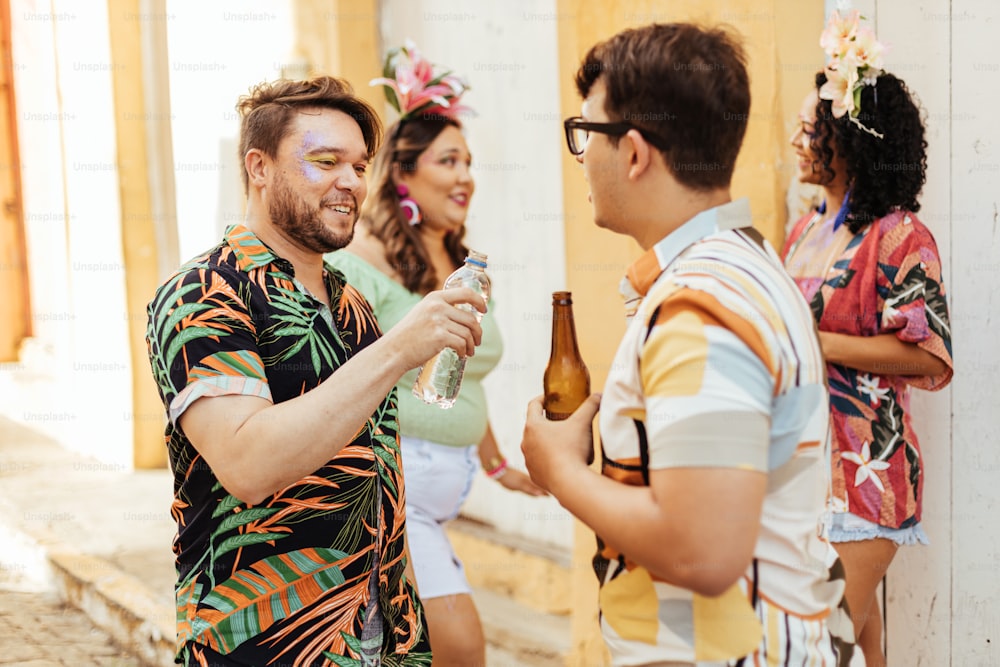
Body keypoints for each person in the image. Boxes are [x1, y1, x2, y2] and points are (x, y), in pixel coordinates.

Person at [520, 23, 856, 666]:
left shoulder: (704, 300)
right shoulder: (735, 267)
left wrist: (559, 471)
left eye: (586, 133)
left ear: (636, 153)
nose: (581, 155)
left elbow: (703, 547)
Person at [145, 75, 489, 666]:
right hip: (268, 648)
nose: (350, 183)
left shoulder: (350, 301)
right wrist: (399, 349)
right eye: (325, 161)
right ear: (258, 167)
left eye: (359, 166)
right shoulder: (203, 293)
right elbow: (248, 464)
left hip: (385, 643)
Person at [326, 43, 546, 667]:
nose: (465, 176)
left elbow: (459, 377)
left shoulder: (466, 268)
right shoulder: (358, 264)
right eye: (448, 160)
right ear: (405, 174)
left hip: (441, 501)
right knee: (461, 649)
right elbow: (343, 383)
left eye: (470, 161)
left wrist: (499, 468)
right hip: (393, 497)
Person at [781, 10, 953, 667]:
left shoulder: (899, 237)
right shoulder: (802, 235)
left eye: (810, 128)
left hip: (868, 472)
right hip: (803, 467)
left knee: (827, 631)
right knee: (858, 632)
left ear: (850, 140)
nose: (799, 140)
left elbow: (927, 354)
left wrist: (823, 345)